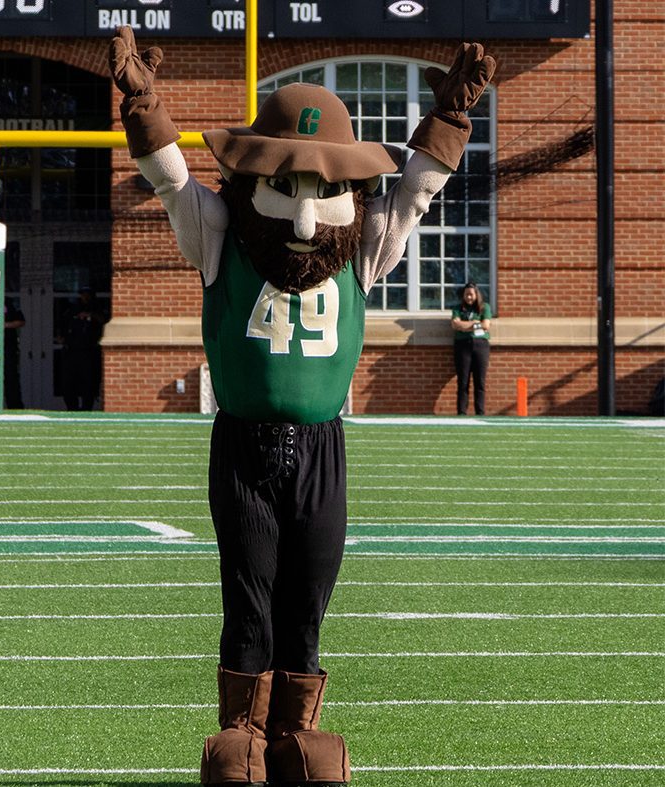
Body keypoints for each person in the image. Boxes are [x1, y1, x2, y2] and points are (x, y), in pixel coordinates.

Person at [111, 27, 494, 787]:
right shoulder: (222, 238)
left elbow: (415, 193)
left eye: (325, 191)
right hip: (244, 443)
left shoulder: (362, 247)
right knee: (249, 592)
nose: (308, 219)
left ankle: (295, 731)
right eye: (286, 188)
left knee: (309, 593)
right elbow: (174, 185)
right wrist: (144, 108)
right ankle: (243, 732)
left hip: (323, 446)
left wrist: (449, 118)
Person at [59, 287, 105, 411]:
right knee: (68, 383)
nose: (85, 297)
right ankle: (71, 408)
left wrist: (90, 315)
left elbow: (103, 320)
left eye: (87, 294)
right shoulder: (72, 309)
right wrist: (62, 337)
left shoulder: (97, 308)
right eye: (83, 294)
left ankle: (87, 408)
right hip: (71, 351)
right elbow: (63, 324)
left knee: (88, 383)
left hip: (88, 351)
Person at [451, 281, 492, 415]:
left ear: (476, 294)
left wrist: (464, 326)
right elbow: (455, 325)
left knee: (480, 381)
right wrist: (475, 323)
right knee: (463, 381)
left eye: (471, 294)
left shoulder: (484, 307)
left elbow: (486, 325)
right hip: (462, 346)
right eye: (466, 295)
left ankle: (480, 411)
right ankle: (462, 412)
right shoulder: (458, 308)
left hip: (481, 346)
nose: (468, 297)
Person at [3, 297, 25, 409]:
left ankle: (14, 405)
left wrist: (4, 325)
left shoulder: (9, 302)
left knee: (11, 376)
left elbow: (21, 321)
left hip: (8, 346)